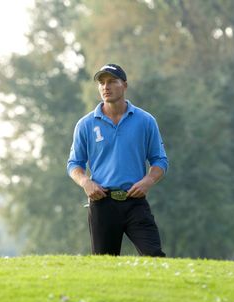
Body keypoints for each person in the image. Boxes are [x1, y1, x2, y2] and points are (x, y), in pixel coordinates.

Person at [67, 63, 168, 257]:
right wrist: (86, 182)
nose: (106, 87)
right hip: (102, 203)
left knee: (155, 256)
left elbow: (160, 160)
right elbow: (74, 164)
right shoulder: (85, 125)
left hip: (135, 202)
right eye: (102, 82)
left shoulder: (145, 121)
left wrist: (148, 181)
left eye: (112, 81)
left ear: (125, 85)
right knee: (105, 266)